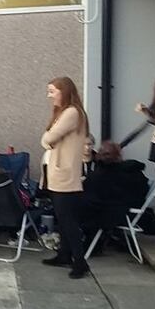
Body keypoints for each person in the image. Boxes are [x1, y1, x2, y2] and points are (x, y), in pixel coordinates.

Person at [40, 76, 91, 279]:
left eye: (52, 91)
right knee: (63, 219)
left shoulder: (71, 113)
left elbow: (48, 138)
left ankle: (80, 262)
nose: (49, 95)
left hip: (65, 175)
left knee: (68, 220)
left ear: (64, 91)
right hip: (63, 173)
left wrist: (47, 138)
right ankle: (64, 254)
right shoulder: (71, 112)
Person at [80, 141, 148, 256]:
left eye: (105, 153)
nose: (101, 155)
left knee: (79, 210)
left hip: (117, 213)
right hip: (122, 209)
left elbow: (96, 193)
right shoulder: (129, 171)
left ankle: (93, 244)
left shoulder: (108, 173)